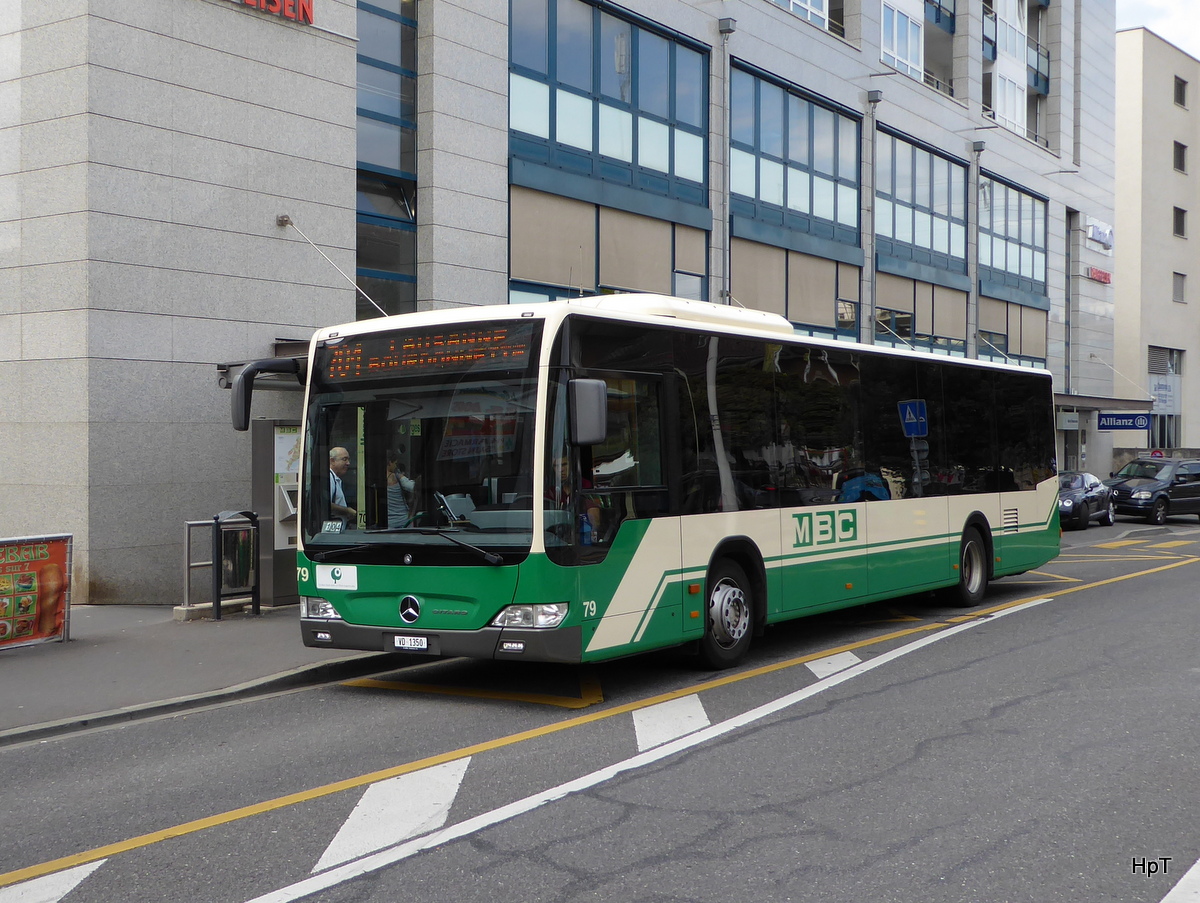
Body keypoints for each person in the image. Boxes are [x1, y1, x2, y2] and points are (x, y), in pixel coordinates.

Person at [329, 447, 357, 525]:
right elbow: (326, 505)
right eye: (344, 459)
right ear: (332, 461)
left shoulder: (335, 479)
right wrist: (347, 511)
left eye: (348, 459)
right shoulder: (329, 478)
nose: (348, 463)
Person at [387, 453, 415, 528]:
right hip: (404, 519)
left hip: (389, 522)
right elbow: (412, 487)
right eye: (395, 463)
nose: (395, 466)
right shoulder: (396, 476)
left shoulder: (377, 479)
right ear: (390, 462)